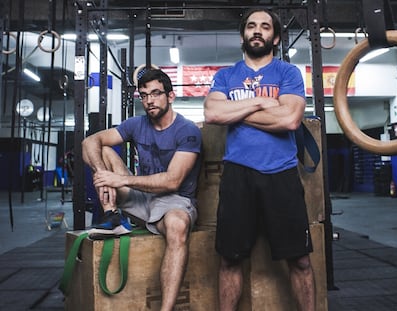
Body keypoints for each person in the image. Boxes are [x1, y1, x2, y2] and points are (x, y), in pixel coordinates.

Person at [203, 8, 316, 311]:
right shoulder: (225, 76)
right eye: (251, 26)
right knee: (230, 259)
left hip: (281, 173)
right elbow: (213, 114)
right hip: (238, 175)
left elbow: (291, 119)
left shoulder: (288, 73)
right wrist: (261, 102)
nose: (257, 31)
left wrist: (236, 111)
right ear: (243, 35)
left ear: (275, 37)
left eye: (265, 27)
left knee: (301, 260)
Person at [82, 69, 202, 311]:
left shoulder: (187, 130)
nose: (149, 101)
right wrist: (102, 174)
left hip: (174, 202)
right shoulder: (136, 124)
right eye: (144, 95)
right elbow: (89, 142)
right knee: (101, 149)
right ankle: (112, 216)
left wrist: (121, 180)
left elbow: (172, 181)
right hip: (141, 198)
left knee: (178, 225)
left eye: (156, 94)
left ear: (171, 96)